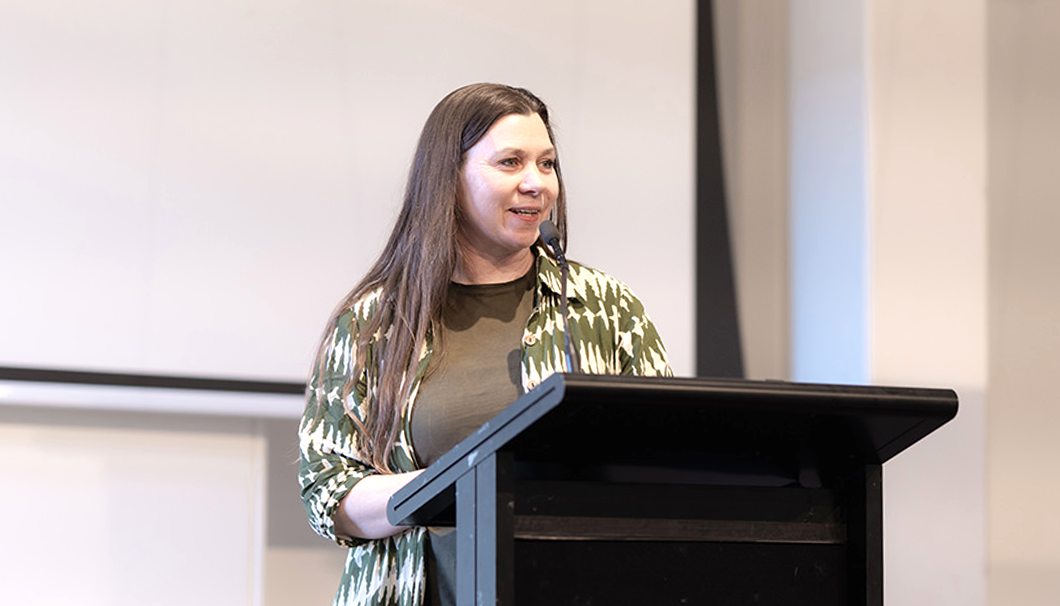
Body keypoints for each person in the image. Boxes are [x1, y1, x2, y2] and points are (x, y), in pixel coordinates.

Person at [298, 83, 672, 606]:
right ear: (449, 179)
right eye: (511, 162)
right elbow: (327, 492)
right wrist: (456, 483)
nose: (536, 183)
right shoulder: (374, 322)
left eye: (547, 164)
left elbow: (668, 461)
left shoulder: (606, 308)